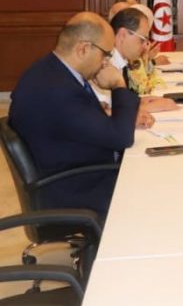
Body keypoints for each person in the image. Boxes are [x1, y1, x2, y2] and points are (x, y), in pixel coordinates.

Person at [8, 12, 143, 217]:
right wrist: (118, 85)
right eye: (105, 55)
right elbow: (121, 138)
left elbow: (80, 122)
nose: (106, 63)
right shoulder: (58, 90)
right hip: (77, 189)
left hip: (76, 170)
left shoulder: (50, 71)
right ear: (83, 49)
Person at [109, 8, 176, 114]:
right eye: (142, 40)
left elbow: (119, 102)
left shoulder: (121, 62)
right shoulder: (105, 64)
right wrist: (143, 109)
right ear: (123, 34)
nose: (146, 46)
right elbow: (102, 112)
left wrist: (139, 101)